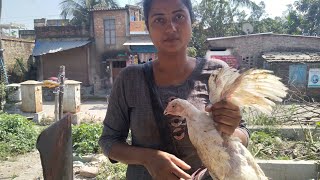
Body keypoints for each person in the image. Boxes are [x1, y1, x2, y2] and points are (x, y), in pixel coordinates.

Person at [99, 0, 250, 179]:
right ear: (148, 27)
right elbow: (109, 141)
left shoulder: (217, 74)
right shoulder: (130, 79)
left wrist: (231, 128)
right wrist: (149, 159)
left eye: (179, 16)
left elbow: (244, 135)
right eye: (159, 20)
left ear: (191, 21)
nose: (171, 28)